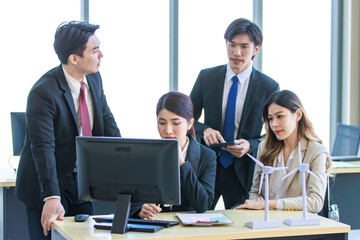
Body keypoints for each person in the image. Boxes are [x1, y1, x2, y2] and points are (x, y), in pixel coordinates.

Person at [15, 21, 121, 239]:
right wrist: (52, 197)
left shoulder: (94, 78)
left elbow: (108, 124)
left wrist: (130, 164)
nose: (102, 55)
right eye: (95, 50)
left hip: (81, 182)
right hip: (46, 187)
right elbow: (43, 146)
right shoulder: (43, 93)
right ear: (74, 58)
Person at [190, 18, 279, 209]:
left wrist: (251, 145)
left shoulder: (268, 87)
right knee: (195, 221)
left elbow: (275, 132)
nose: (236, 53)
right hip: (207, 165)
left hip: (243, 170)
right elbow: (187, 118)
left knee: (241, 229)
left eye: (244, 47)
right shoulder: (207, 77)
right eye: (232, 45)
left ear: (256, 49)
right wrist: (205, 130)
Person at [235, 90, 331, 213]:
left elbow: (315, 202)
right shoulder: (264, 147)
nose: (274, 124)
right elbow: (255, 192)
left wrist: (269, 204)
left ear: (298, 115)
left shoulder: (316, 151)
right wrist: (257, 201)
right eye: (270, 119)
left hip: (298, 226)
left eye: (280, 116)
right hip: (267, 223)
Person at [132, 91, 216, 219]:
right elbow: (131, 198)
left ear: (190, 123)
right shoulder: (146, 153)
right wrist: (140, 210)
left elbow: (203, 204)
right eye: (162, 123)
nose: (168, 130)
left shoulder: (207, 156)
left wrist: (182, 163)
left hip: (188, 229)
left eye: (176, 123)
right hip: (154, 226)